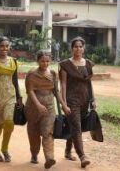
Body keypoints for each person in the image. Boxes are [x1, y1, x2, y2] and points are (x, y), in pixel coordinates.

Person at [25, 49, 70, 169]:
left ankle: (49, 158)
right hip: (33, 108)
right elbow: (30, 91)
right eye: (42, 61)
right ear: (37, 61)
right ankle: (34, 154)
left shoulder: (53, 74)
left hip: (49, 108)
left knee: (47, 132)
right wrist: (38, 105)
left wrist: (64, 105)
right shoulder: (31, 74)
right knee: (33, 133)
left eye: (47, 61)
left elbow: (56, 91)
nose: (45, 64)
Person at [59, 36, 95, 168]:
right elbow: (62, 84)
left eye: (80, 46)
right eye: (75, 46)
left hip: (85, 99)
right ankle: (82, 156)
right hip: (71, 99)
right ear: (71, 48)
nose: (78, 49)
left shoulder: (88, 64)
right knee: (76, 127)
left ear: (84, 48)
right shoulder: (65, 65)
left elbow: (89, 83)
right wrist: (63, 103)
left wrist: (93, 99)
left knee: (73, 126)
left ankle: (68, 151)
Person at [0, 36, 22, 162]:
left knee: (9, 122)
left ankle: (5, 148)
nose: (4, 48)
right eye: (2, 46)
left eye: (7, 46)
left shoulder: (13, 62)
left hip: (10, 96)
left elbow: (15, 80)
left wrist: (19, 97)